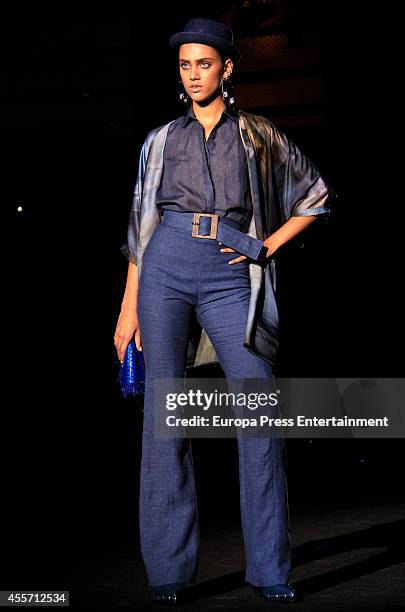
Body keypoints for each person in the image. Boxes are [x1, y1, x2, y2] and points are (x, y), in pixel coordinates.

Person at [114, 17, 335, 606]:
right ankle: (168, 569)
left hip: (230, 271)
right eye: (185, 65)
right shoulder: (160, 139)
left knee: (257, 411)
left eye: (204, 63)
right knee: (166, 415)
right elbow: (141, 227)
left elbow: (315, 198)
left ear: (227, 68)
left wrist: (262, 247)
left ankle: (269, 569)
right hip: (163, 265)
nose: (193, 75)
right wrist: (126, 309)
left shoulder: (259, 134)